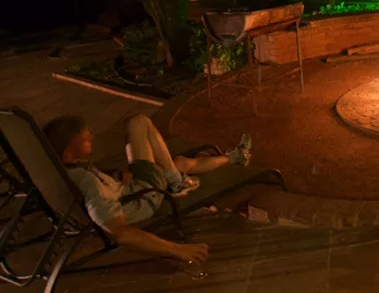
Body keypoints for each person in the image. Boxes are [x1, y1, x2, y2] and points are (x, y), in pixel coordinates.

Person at [42, 113, 251, 265]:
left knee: (171, 155)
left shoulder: (61, 169)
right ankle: (224, 161)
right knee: (144, 127)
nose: (92, 137)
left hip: (131, 188)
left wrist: (113, 175)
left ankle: (230, 159)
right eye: (86, 139)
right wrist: (178, 249)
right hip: (145, 196)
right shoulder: (89, 184)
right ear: (68, 152)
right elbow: (121, 233)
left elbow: (96, 182)